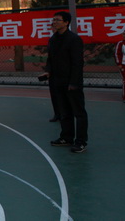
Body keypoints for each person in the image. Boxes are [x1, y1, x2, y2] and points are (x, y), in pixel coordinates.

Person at [44, 11, 88, 153]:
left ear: (66, 22)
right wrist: (48, 71)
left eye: (57, 20)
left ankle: (81, 142)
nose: (54, 22)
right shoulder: (53, 39)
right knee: (64, 112)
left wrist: (73, 83)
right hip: (58, 82)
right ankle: (66, 137)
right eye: (53, 20)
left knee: (79, 113)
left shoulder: (74, 40)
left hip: (72, 83)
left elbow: (77, 63)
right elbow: (50, 59)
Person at [114, 27, 125, 103]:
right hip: (124, 65)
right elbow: (117, 54)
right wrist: (119, 64)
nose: (124, 35)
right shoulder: (120, 43)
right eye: (123, 34)